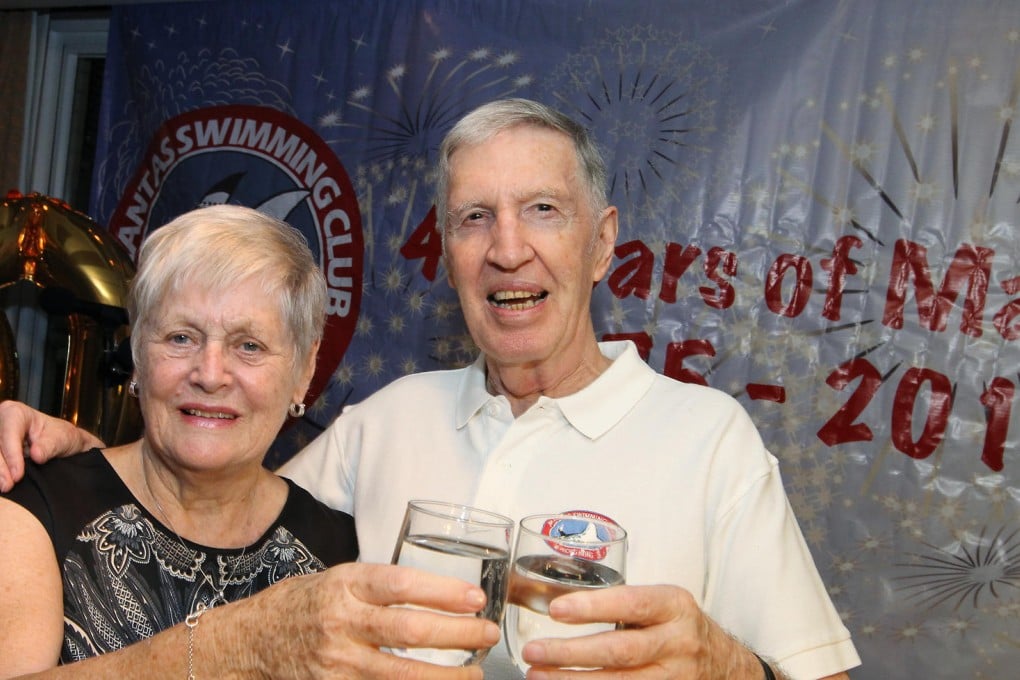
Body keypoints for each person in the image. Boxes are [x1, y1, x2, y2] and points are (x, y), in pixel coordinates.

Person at [0, 99, 860, 679]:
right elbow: (215, 496)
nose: (508, 249)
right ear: (446, 252)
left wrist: (728, 668)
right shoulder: (388, 420)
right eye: (475, 218)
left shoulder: (709, 440)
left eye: (543, 210)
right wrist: (88, 461)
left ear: (602, 244)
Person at [0, 205, 498, 679]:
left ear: (304, 371)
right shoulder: (34, 507)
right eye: (180, 338)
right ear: (137, 353)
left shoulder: (341, 552)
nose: (210, 373)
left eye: (249, 346)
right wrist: (233, 644)